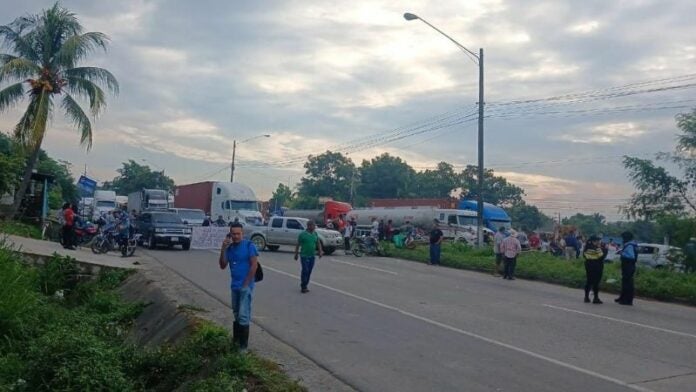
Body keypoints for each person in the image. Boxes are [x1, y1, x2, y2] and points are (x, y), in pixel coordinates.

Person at [219, 222, 259, 353]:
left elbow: (254, 265)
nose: (235, 236)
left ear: (242, 234)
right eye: (233, 234)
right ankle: (236, 341)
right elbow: (223, 265)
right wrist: (223, 248)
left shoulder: (249, 246)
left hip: (245, 287)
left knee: (243, 315)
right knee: (236, 313)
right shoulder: (229, 249)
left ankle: (243, 347)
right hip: (234, 286)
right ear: (230, 234)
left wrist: (246, 284)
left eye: (238, 234)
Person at [294, 220, 323, 293]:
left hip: (312, 256)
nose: (314, 227)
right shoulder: (302, 234)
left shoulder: (315, 234)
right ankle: (303, 286)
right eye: (313, 226)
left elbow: (318, 243)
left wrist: (320, 251)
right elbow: (298, 244)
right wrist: (296, 254)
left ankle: (305, 285)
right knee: (305, 270)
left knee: (309, 271)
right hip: (304, 256)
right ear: (309, 226)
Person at [582, 235, 608, 304]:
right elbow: (602, 257)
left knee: (589, 281)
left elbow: (584, 256)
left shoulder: (586, 247)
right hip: (597, 266)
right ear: (595, 241)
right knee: (596, 282)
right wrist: (605, 249)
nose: (599, 242)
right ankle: (596, 298)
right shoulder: (596, 248)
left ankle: (586, 297)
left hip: (588, 265)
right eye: (598, 240)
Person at [615, 231, 638, 306]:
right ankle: (622, 298)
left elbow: (631, 256)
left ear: (626, 238)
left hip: (628, 266)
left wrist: (622, 253)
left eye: (623, 238)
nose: (622, 239)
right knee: (625, 282)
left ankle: (627, 300)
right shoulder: (632, 244)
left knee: (627, 283)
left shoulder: (630, 245)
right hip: (629, 266)